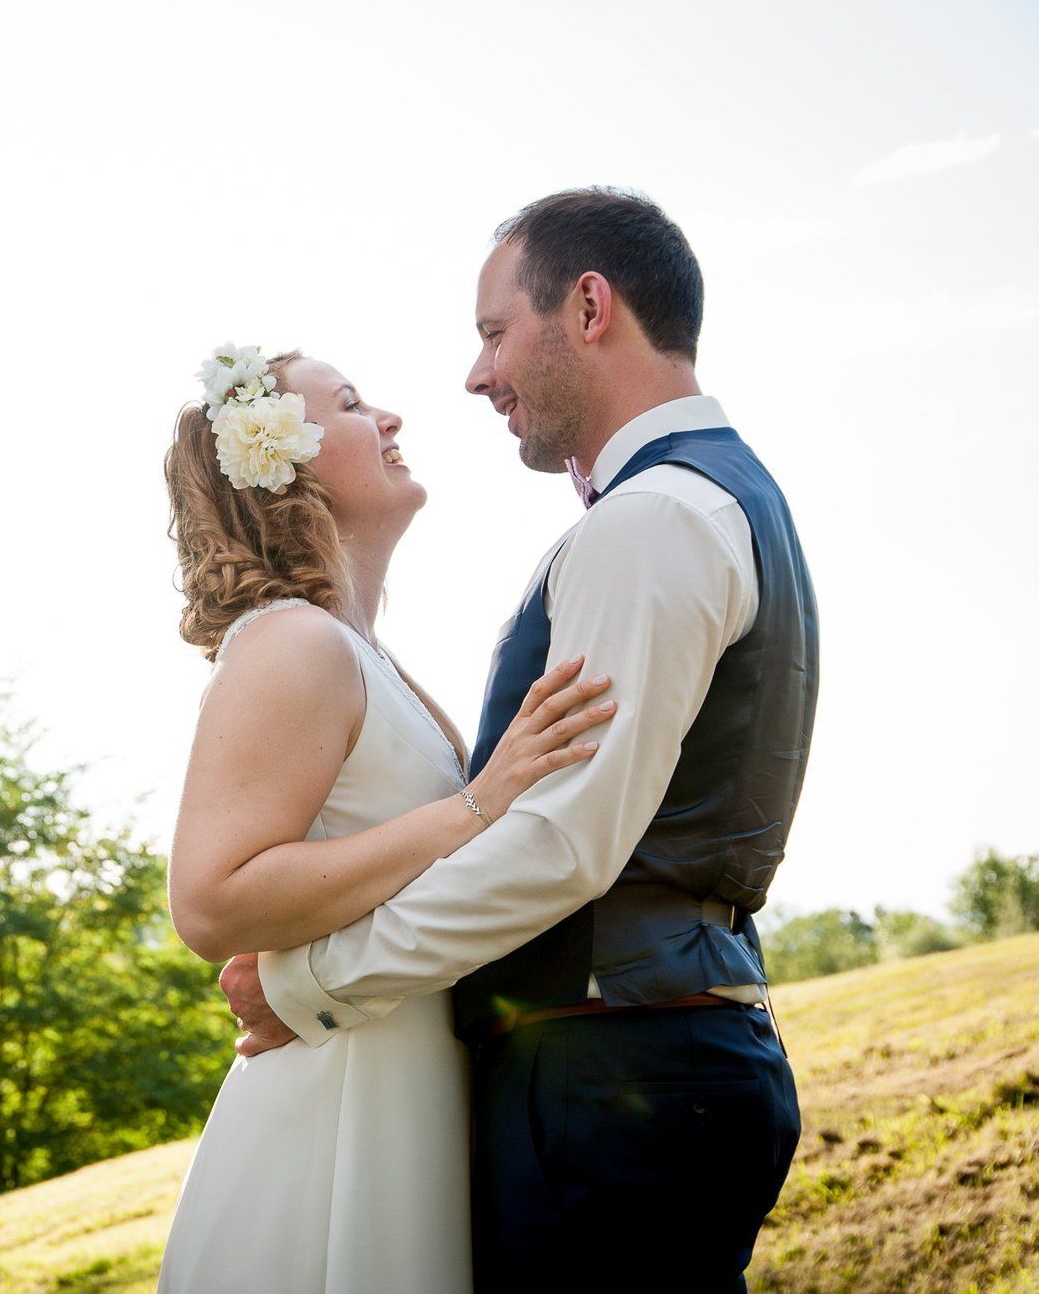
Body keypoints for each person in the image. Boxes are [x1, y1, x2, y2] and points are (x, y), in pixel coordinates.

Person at [219, 188, 817, 1293]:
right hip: (642, 1052)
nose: (475, 374)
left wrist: (314, 983)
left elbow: (563, 843)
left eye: (495, 332)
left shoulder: (653, 519)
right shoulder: (703, 501)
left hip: (612, 1071)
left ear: (589, 307)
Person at [153, 342, 617, 1292]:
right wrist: (480, 802)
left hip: (402, 1077)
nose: (392, 418)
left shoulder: (358, 649)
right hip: (334, 1109)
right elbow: (211, 902)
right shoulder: (293, 642)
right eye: (355, 403)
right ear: (279, 462)